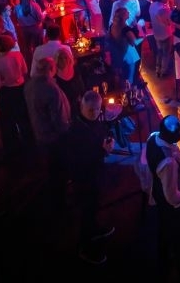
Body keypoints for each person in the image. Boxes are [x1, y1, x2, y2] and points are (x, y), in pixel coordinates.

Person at [66, 91, 115, 265]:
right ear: (82, 107)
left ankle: (94, 230)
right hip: (84, 179)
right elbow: (80, 159)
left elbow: (101, 134)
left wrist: (108, 140)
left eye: (97, 109)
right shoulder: (76, 131)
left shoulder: (94, 122)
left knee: (94, 206)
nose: (94, 113)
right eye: (90, 110)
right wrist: (103, 151)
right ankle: (85, 249)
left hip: (95, 173)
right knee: (86, 212)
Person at [146, 115, 180, 280]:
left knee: (163, 229)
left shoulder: (153, 137)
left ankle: (164, 260)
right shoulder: (168, 162)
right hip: (174, 206)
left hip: (158, 193)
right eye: (178, 132)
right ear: (170, 136)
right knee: (179, 236)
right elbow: (172, 196)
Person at [24, 56, 71, 213]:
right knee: (59, 171)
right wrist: (67, 134)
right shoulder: (50, 88)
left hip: (40, 134)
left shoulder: (29, 85)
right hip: (54, 137)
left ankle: (55, 199)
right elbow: (58, 117)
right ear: (51, 69)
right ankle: (61, 205)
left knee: (51, 169)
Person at [0, 33, 31, 161]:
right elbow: (25, 71)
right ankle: (29, 145)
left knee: (8, 122)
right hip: (20, 90)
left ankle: (13, 150)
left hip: (6, 94)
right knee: (23, 118)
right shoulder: (18, 55)